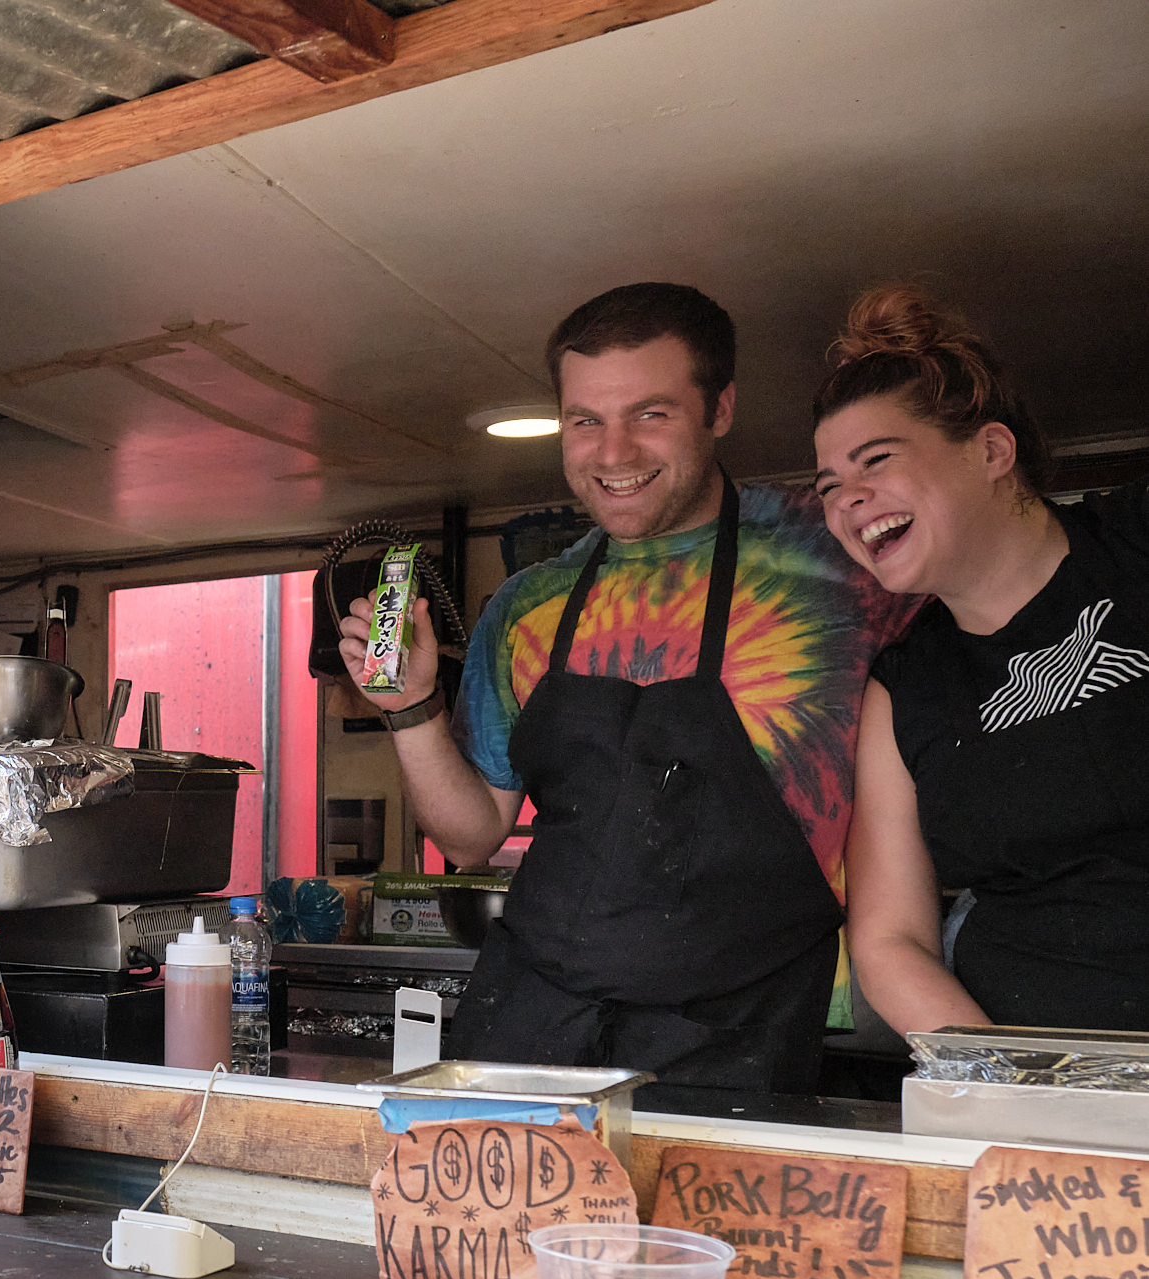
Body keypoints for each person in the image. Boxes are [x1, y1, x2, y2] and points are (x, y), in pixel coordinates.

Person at [340, 283, 920, 1092]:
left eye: (650, 414)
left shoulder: (840, 559)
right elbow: (472, 836)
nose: (612, 454)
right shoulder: (526, 605)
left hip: (740, 1027)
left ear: (720, 409)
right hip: (533, 1022)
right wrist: (409, 706)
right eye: (584, 420)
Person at [817, 284, 1149, 1033]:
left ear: (992, 451)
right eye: (831, 486)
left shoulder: (1136, 543)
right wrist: (1009, 1087)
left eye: (875, 461)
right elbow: (890, 940)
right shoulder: (903, 691)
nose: (849, 499)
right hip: (1038, 1097)